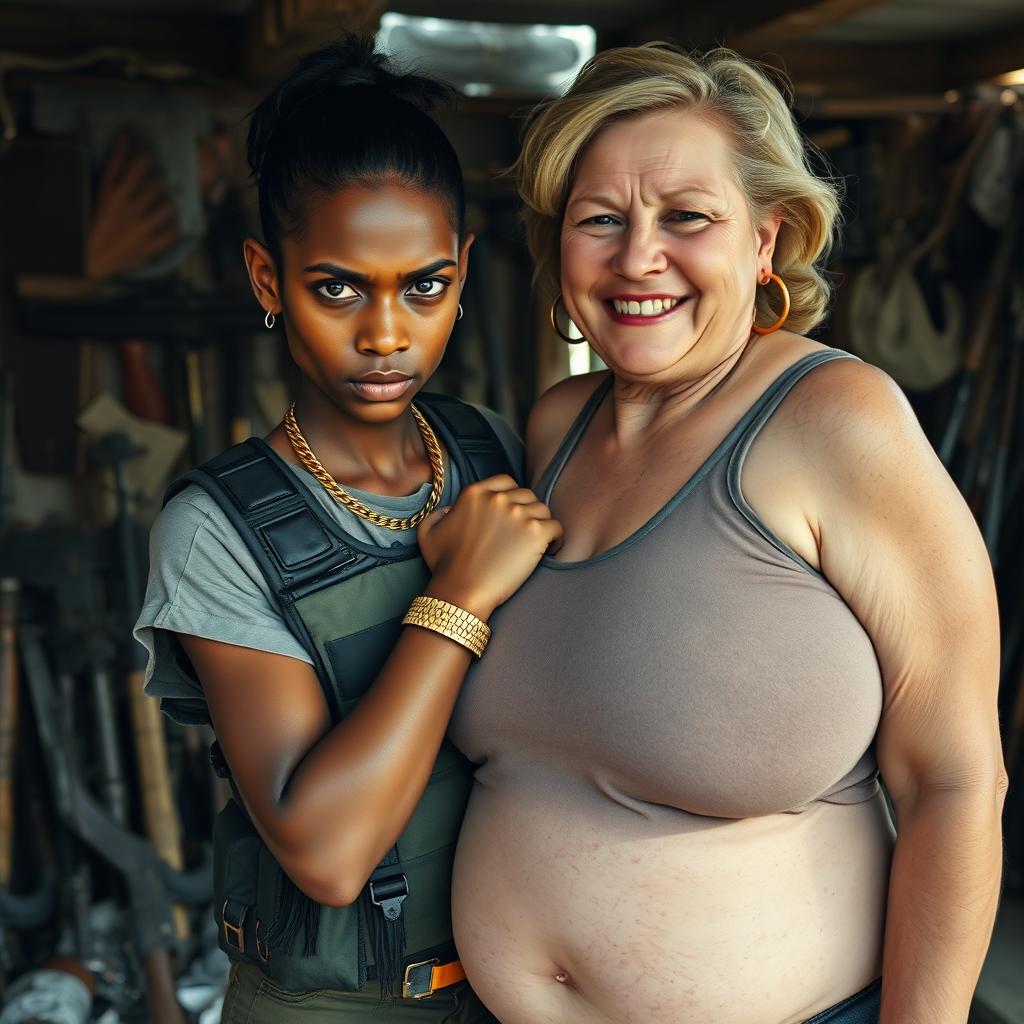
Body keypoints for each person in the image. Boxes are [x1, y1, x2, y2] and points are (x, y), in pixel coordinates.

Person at [447, 43, 1006, 1024]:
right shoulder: (553, 427)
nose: (636, 259)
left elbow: (952, 778)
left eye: (686, 218)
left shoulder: (837, 419)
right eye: (600, 221)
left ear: (765, 240)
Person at [133, 37, 561, 1023]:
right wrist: (453, 597)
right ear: (266, 277)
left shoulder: (490, 449)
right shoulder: (217, 532)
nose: (383, 334)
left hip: (520, 992)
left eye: (422, 285)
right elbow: (325, 850)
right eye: (337, 287)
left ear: (462, 269)